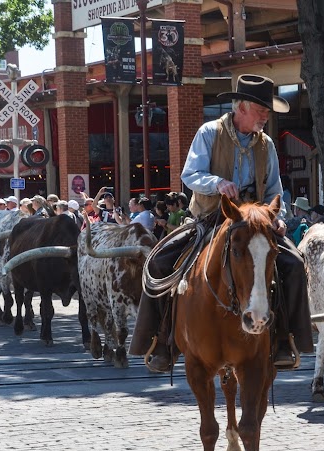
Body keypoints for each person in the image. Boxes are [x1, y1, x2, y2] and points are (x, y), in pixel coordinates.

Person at [129, 73, 314, 372]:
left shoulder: (266, 144)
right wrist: (216, 183)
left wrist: (275, 218)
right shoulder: (209, 133)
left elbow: (274, 190)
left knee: (293, 264)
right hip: (210, 217)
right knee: (160, 262)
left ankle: (284, 339)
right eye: (261, 110)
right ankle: (161, 340)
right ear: (242, 107)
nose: (266, 116)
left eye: (267, 111)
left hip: (254, 222)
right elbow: (190, 174)